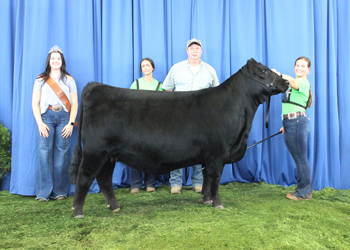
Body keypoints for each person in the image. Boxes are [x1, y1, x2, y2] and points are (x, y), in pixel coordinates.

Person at [162, 38, 220, 194]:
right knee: (176, 148)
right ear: (187, 51)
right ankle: (175, 183)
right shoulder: (176, 69)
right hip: (179, 117)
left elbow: (217, 93)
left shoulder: (210, 70)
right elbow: (167, 90)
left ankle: (198, 182)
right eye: (192, 48)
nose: (194, 51)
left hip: (203, 118)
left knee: (200, 150)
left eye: (197, 48)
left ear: (201, 51)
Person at [32, 45, 78, 201]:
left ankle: (60, 192)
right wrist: (39, 123)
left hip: (64, 118)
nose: (56, 61)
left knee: (63, 154)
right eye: (53, 58)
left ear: (62, 61)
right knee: (44, 153)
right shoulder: (40, 79)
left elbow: (75, 103)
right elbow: (35, 103)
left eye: (58, 58)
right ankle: (43, 193)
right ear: (49, 61)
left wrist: (71, 123)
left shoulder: (69, 79)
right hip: (46, 118)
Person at [272, 56, 313, 200]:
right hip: (291, 122)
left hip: (297, 122)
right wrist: (285, 124)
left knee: (301, 159)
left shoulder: (302, 82)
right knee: (299, 159)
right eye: (297, 65)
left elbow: (293, 81)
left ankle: (304, 192)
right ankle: (301, 189)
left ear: (308, 69)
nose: (299, 68)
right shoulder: (294, 84)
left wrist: (279, 75)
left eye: (303, 66)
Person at [129, 58, 163, 194]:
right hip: (137, 125)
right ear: (141, 69)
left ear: (152, 68)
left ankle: (150, 183)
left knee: (151, 153)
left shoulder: (159, 85)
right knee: (135, 153)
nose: (146, 68)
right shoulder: (136, 84)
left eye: (148, 65)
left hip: (153, 125)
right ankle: (136, 184)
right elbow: (130, 104)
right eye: (143, 66)